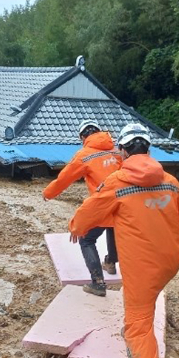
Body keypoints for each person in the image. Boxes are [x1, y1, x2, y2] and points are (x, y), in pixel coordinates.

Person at [68, 122, 179, 358]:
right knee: (147, 304)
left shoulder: (117, 181)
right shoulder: (169, 181)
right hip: (169, 263)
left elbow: (87, 213)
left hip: (143, 268)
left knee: (137, 329)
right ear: (149, 150)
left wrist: (76, 227)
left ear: (123, 152)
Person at [43, 119, 122, 296]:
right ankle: (110, 263)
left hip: (101, 203)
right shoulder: (118, 151)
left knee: (87, 239)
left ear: (82, 136)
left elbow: (65, 178)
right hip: (123, 203)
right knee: (113, 226)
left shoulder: (84, 155)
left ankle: (98, 283)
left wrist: (48, 193)